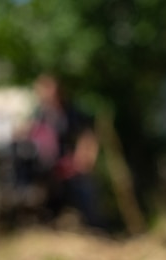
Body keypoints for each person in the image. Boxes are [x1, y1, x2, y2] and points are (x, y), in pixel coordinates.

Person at [11, 74, 104, 229]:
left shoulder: (70, 113)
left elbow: (87, 135)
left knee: (83, 193)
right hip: (40, 163)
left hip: (64, 166)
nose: (44, 93)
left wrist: (83, 158)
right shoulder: (39, 114)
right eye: (41, 89)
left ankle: (95, 226)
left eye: (48, 89)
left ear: (57, 90)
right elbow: (28, 130)